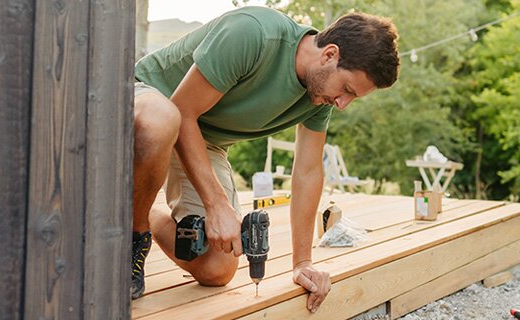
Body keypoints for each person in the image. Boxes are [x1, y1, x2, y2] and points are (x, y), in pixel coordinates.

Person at [129, 6, 399, 313]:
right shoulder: (254, 33)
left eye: (352, 97)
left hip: (203, 141)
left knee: (218, 267)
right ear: (329, 55)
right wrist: (217, 205)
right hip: (153, 101)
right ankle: (134, 240)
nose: (342, 104)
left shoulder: (319, 96)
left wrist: (302, 263)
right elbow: (183, 110)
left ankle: (143, 207)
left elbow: (308, 172)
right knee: (160, 118)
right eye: (346, 89)